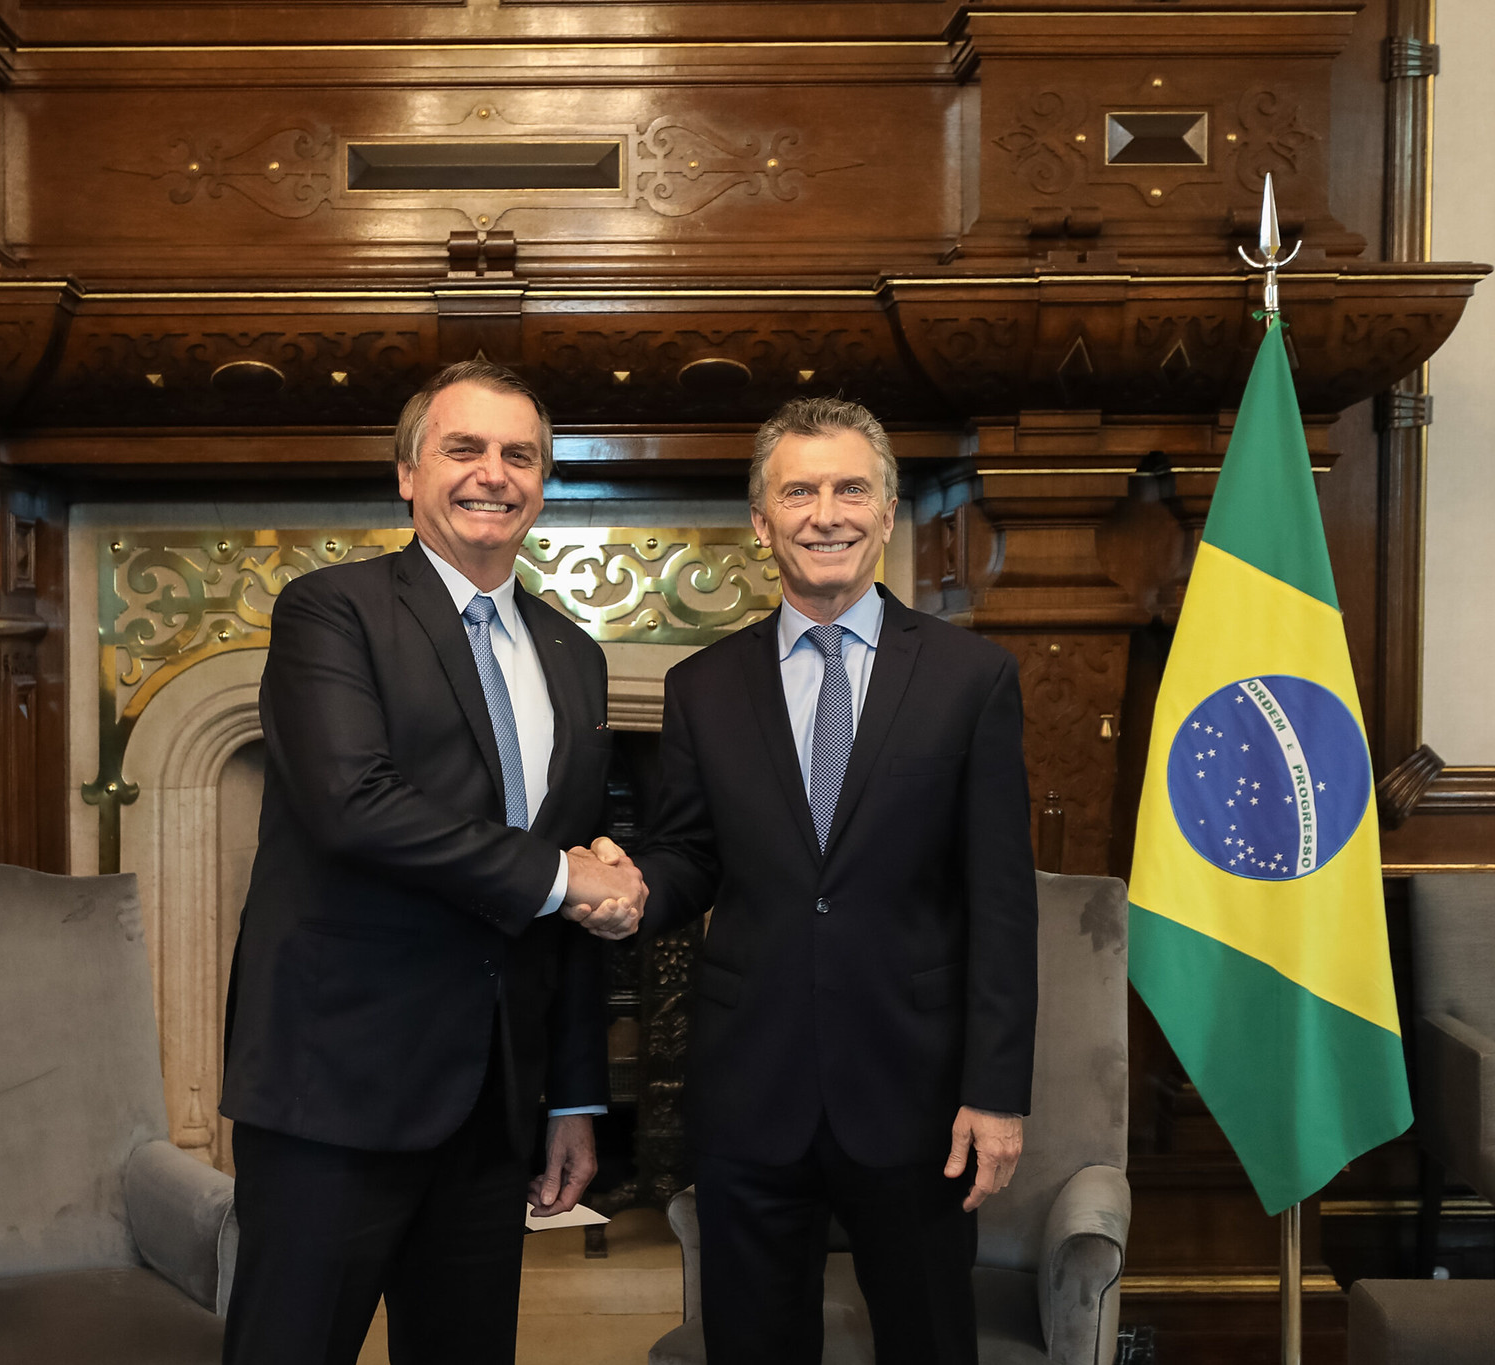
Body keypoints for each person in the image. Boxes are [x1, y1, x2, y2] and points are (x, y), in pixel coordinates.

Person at [219, 359, 645, 1365]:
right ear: (408, 474)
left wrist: (573, 1097)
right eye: (464, 448)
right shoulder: (330, 611)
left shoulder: (575, 655)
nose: (493, 473)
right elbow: (354, 807)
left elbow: (567, 899)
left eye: (519, 454)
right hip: (333, 1093)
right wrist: (564, 878)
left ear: (542, 483)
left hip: (492, 1108)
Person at [616, 396, 1038, 1364]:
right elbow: (688, 859)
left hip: (916, 1094)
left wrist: (996, 1091)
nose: (826, 514)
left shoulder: (971, 679)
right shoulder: (700, 688)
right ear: (761, 522)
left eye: (850, 489)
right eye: (798, 492)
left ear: (886, 513)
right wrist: (625, 884)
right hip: (749, 1092)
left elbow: (1002, 903)